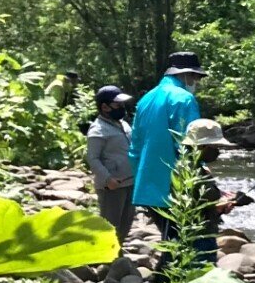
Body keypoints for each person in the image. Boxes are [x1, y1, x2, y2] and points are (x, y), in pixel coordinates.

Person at [129, 52, 205, 237]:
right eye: (195, 76)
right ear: (185, 74)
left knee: (169, 239)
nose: (197, 81)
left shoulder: (145, 99)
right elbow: (190, 144)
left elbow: (134, 147)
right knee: (183, 241)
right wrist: (201, 174)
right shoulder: (184, 99)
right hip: (174, 186)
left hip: (147, 186)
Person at [180, 118, 238, 262]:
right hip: (198, 235)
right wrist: (218, 207)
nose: (217, 150)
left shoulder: (194, 166)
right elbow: (188, 205)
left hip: (202, 231)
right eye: (214, 146)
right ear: (202, 146)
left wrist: (220, 203)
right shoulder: (190, 171)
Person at [86, 86, 137, 241]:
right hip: (112, 185)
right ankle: (105, 259)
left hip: (129, 181)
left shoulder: (123, 124)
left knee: (126, 222)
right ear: (104, 107)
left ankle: (117, 256)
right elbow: (92, 158)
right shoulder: (98, 130)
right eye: (117, 105)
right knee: (110, 224)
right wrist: (108, 179)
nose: (122, 108)